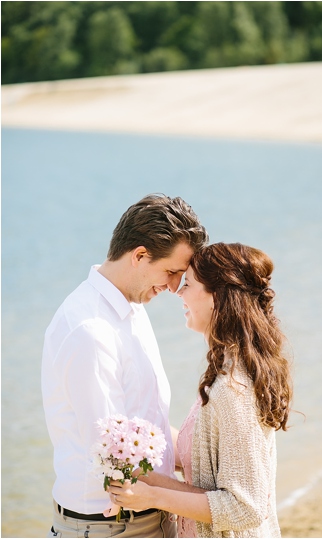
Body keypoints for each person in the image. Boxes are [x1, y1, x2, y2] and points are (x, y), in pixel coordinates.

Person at [42, 194, 208, 537]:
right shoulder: (89, 331)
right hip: (111, 529)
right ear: (140, 255)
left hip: (150, 518)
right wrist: (212, 504)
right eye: (171, 271)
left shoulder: (132, 310)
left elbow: (150, 427)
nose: (175, 286)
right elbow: (118, 460)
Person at [107, 242, 292, 538]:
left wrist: (152, 496)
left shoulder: (232, 391)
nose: (178, 291)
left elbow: (246, 507)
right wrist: (134, 432)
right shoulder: (229, 371)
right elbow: (209, 454)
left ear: (216, 298)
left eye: (189, 283)